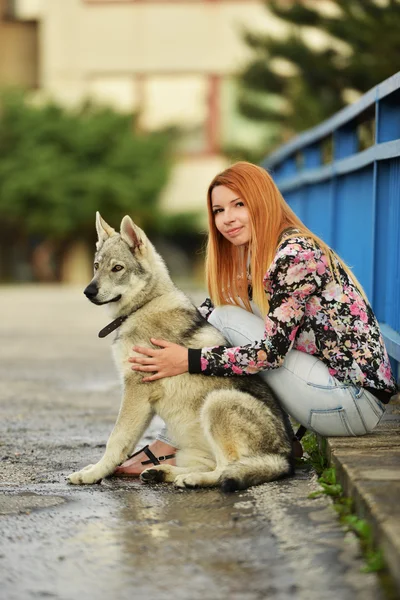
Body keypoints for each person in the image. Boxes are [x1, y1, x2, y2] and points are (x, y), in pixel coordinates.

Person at [114, 161, 397, 476]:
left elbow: (272, 353)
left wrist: (188, 360)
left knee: (225, 321)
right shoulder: (260, 256)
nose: (227, 219)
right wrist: (161, 343)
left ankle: (169, 445)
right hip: (332, 396)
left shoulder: (294, 255)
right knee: (213, 322)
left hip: (352, 403)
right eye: (218, 210)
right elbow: (201, 317)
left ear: (262, 201)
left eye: (239, 205)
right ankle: (190, 440)